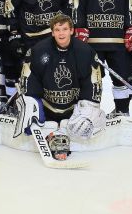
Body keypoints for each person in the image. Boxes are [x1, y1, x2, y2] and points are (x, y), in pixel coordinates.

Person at [9, 14, 105, 160]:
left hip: (73, 108)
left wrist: (89, 107)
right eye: (57, 29)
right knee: (29, 108)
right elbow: (29, 80)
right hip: (47, 107)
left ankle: (63, 132)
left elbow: (92, 83)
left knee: (87, 117)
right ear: (52, 32)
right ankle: (50, 130)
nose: (61, 33)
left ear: (72, 31)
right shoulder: (38, 50)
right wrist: (30, 102)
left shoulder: (85, 51)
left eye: (65, 29)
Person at [75, 0, 132, 116]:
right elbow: (78, 8)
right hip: (93, 44)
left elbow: (130, 9)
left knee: (121, 79)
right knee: (93, 81)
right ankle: (92, 114)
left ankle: (122, 112)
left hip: (117, 42)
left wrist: (130, 29)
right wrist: (80, 27)